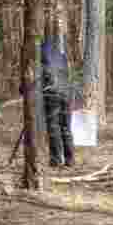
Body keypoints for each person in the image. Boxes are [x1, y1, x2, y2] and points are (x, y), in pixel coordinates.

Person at [41, 40, 74, 168]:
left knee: (53, 126)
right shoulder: (61, 57)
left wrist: (23, 89)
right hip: (66, 94)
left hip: (52, 94)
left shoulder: (42, 59)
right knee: (65, 127)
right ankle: (69, 159)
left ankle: (55, 159)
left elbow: (34, 76)